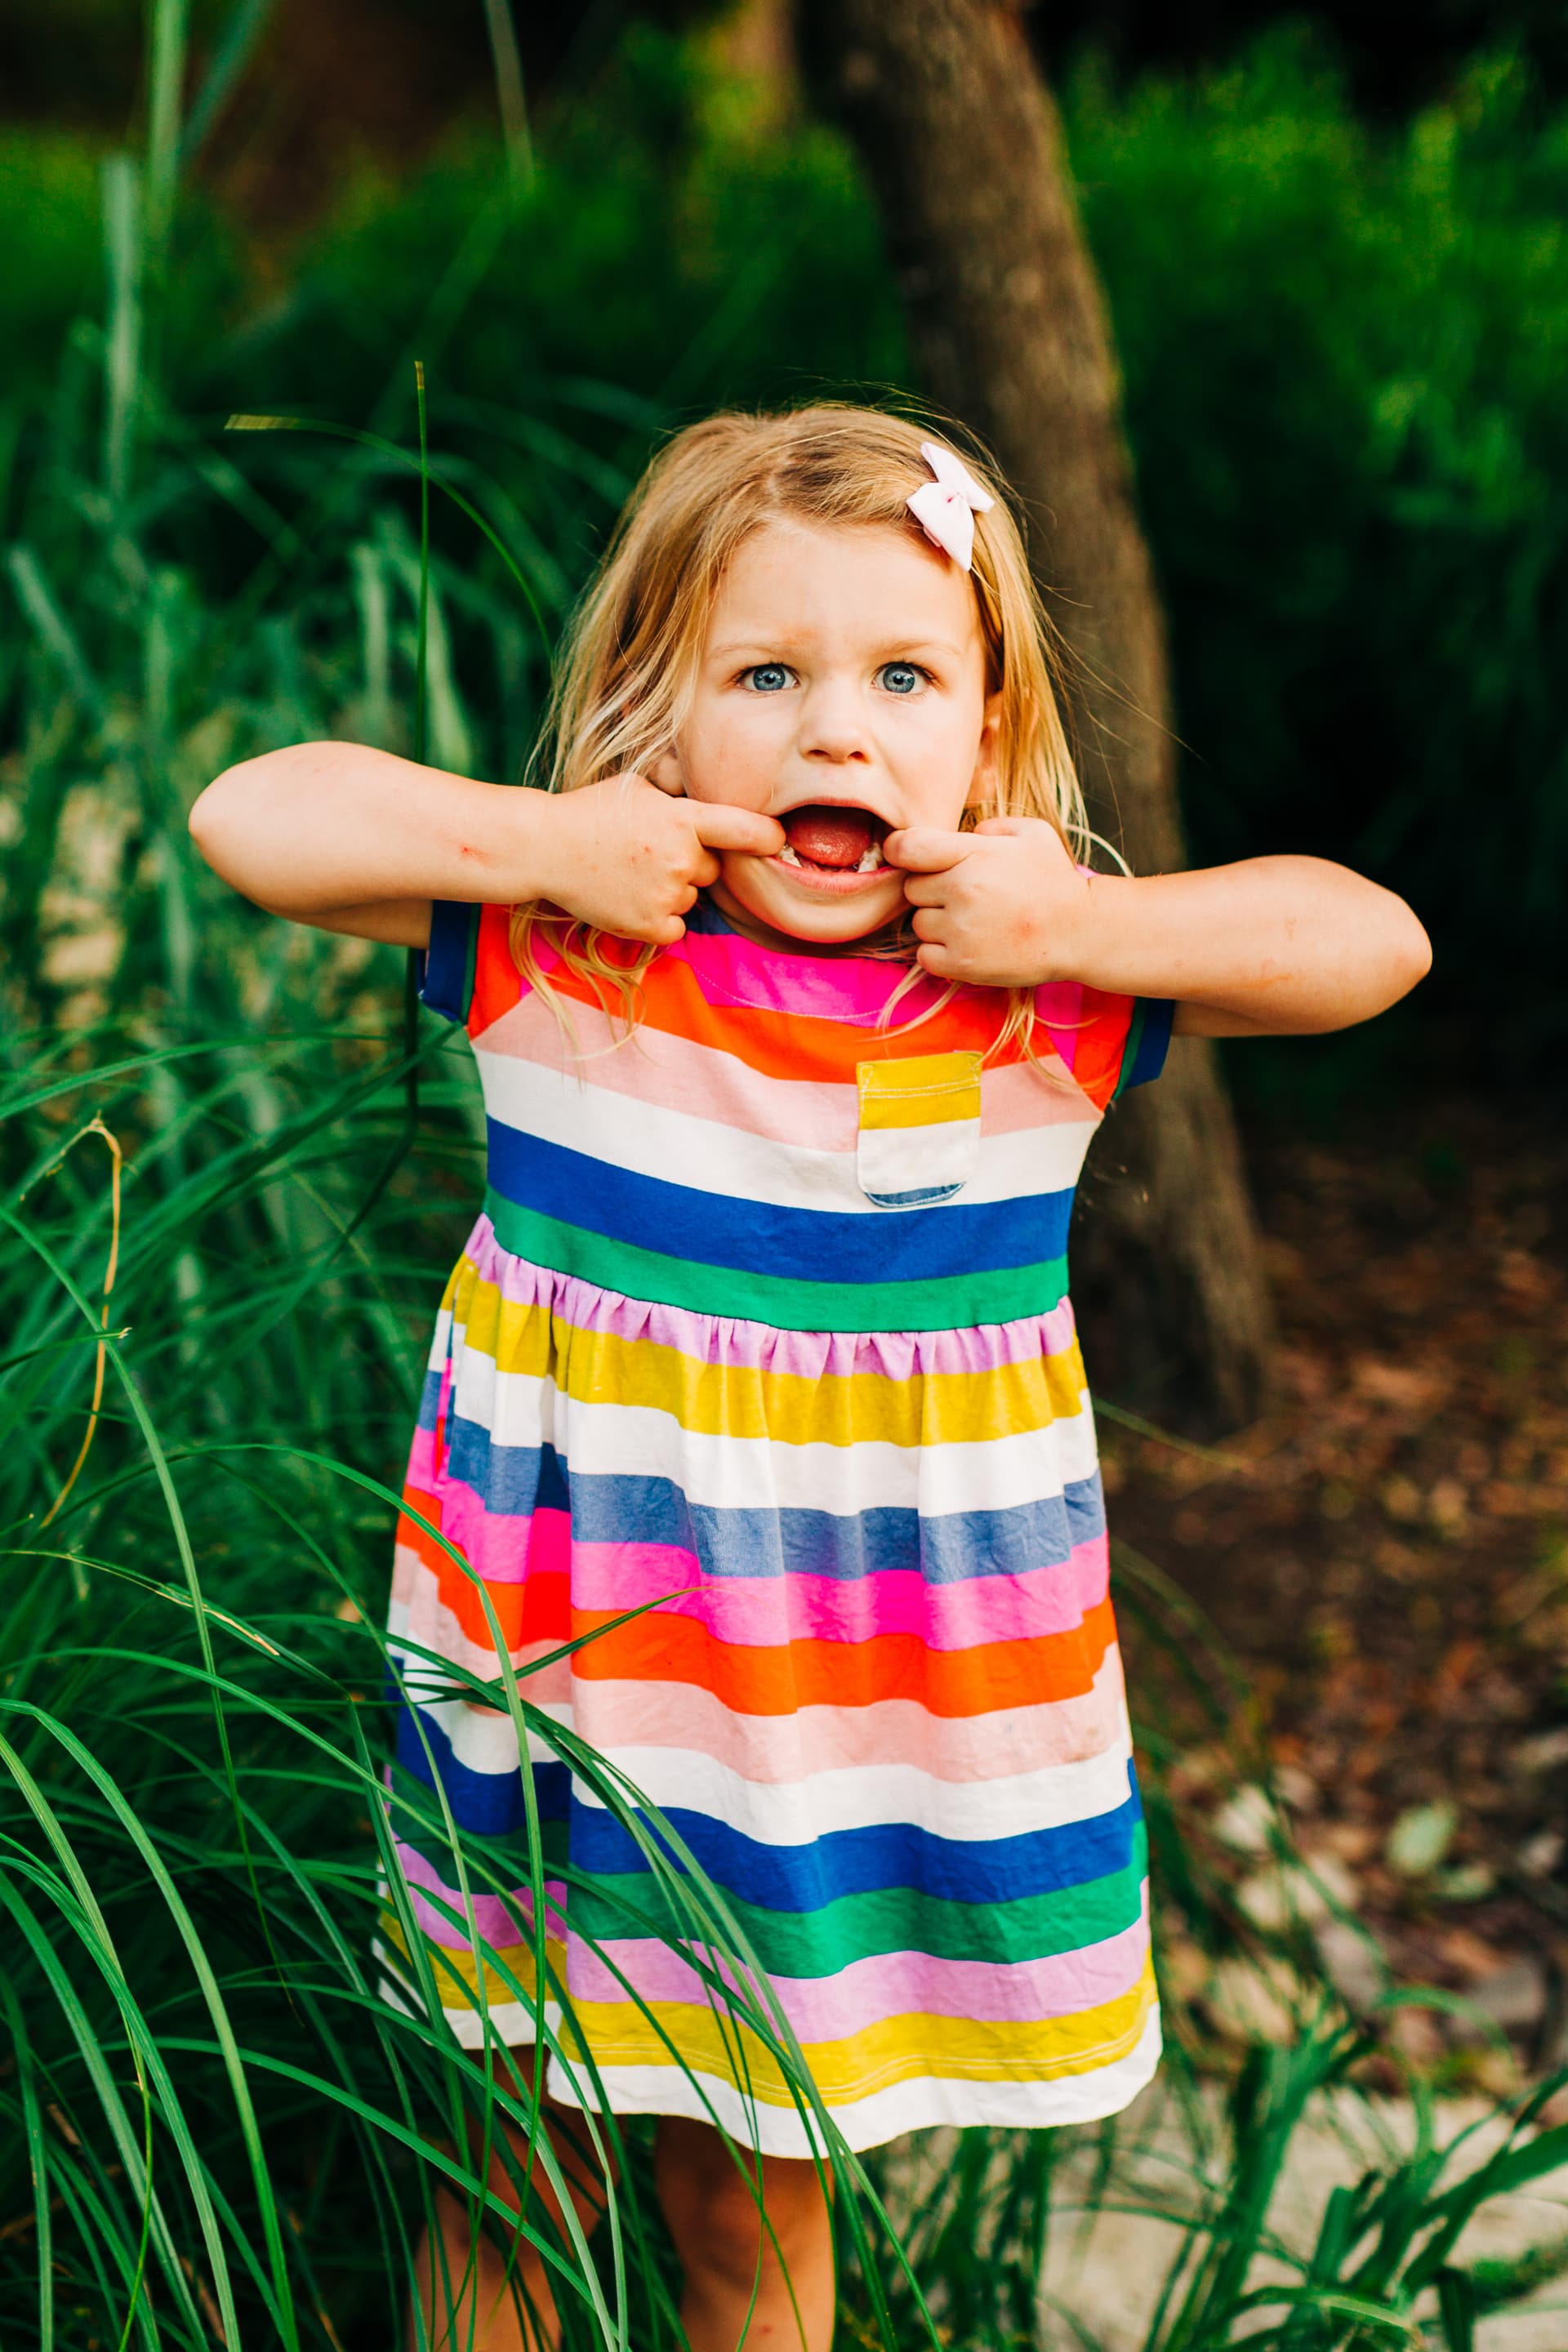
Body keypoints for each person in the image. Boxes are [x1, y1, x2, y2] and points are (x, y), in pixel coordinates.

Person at [189, 405, 1430, 2351]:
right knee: (505, 2171)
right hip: (568, 1692)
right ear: (656, 718)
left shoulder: (1037, 1001)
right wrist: (555, 842)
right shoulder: (569, 955)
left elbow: (1373, 941)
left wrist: (1080, 917)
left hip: (843, 1735)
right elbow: (249, 816)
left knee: (750, 2212)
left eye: (903, 678)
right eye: (765, 675)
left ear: (991, 736)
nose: (835, 732)